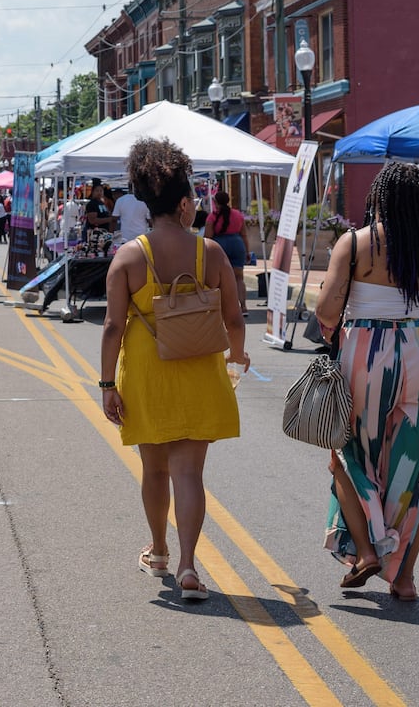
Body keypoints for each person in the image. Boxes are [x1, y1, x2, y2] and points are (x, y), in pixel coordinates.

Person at [99, 140, 246, 600]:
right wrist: (235, 357)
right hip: (200, 370)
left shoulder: (127, 257)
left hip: (146, 372)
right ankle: (187, 566)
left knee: (154, 469)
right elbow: (235, 319)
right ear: (184, 203)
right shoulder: (212, 253)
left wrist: (107, 384)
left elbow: (111, 327)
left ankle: (159, 551)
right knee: (189, 473)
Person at [314, 162, 419, 602]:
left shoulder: (353, 244)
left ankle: (368, 551)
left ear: (377, 198)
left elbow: (327, 312)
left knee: (348, 455)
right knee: (411, 474)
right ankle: (404, 578)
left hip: (367, 353)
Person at [203, 190, 249, 318]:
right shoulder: (238, 215)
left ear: (215, 202)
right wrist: (246, 251)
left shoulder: (212, 217)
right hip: (237, 244)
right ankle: (243, 306)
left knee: (220, 280)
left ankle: (225, 308)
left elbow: (208, 237)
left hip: (220, 246)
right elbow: (244, 234)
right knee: (239, 278)